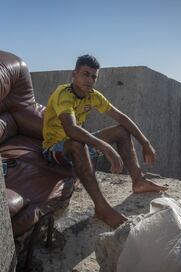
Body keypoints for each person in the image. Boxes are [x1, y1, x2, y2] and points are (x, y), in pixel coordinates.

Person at [42, 54, 167, 228]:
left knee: (122, 131)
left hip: (79, 143)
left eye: (94, 76)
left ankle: (138, 181)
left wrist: (145, 143)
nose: (90, 80)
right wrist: (105, 146)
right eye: (85, 74)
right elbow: (71, 129)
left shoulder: (92, 95)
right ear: (74, 74)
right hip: (55, 149)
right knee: (77, 144)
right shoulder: (63, 94)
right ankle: (102, 209)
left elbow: (121, 117)